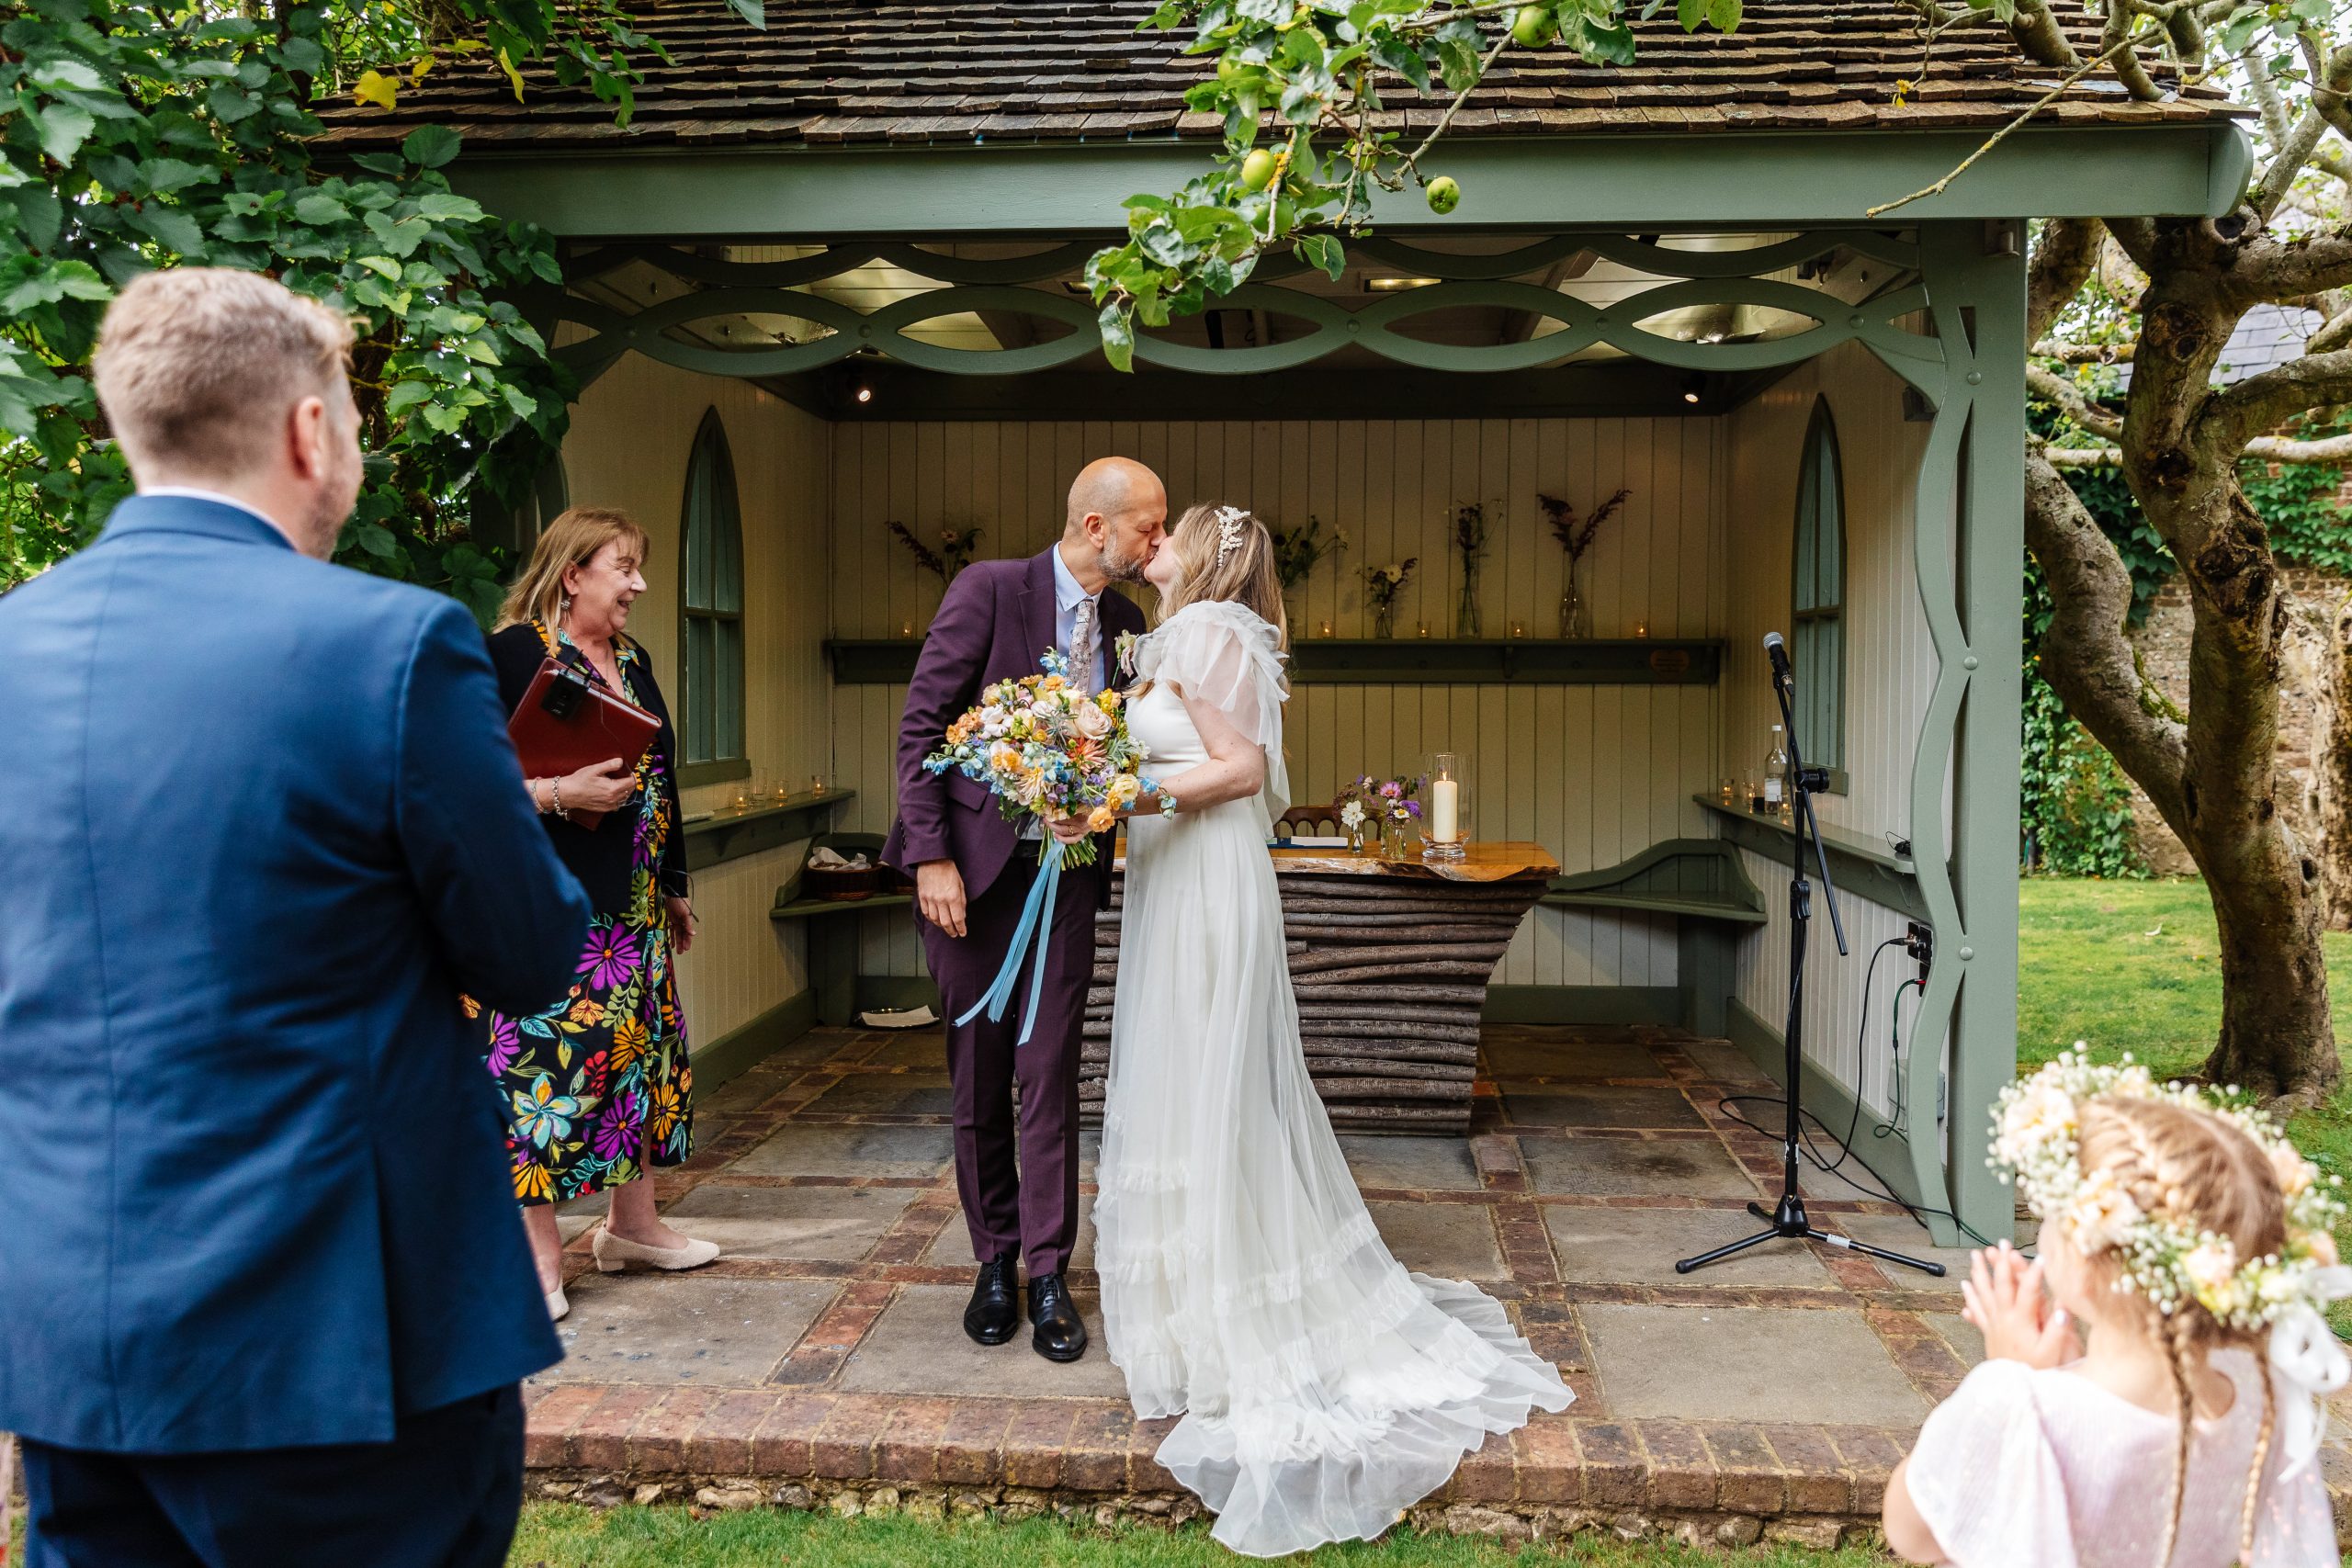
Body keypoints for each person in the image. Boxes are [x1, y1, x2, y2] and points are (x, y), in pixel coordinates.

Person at [0, 267, 592, 1567]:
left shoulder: (10, 646)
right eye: (358, 426)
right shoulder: (391, 645)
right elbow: (533, 950)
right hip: (339, 1336)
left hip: (70, 1332)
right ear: (309, 431)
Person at [1083, 502, 1572, 1557]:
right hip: (1174, 881)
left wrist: (1128, 794)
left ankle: (1221, 1322)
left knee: (1209, 1084)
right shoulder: (1185, 636)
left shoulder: (1212, 635)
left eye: (1174, 530)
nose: (1153, 539)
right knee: (1183, 1082)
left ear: (1207, 557)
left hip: (1206, 882)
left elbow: (1243, 772)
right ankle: (1187, 1315)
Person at [881, 457, 1162, 1363]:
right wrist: (930, 856)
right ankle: (992, 1261)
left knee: (1049, 1072)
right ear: (1094, 526)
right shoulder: (989, 590)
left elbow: (1120, 747)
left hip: (1068, 883)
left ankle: (1049, 1274)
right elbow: (922, 729)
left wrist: (1105, 795)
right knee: (979, 1077)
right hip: (969, 883)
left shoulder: (1128, 624)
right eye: (1147, 528)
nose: (1155, 544)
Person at [1883, 1056, 2342, 1568]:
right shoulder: (2261, 1391)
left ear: (2081, 1261)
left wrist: (2011, 1380)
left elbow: (1911, 1531)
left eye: (2050, 1216)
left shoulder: (2023, 1406)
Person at [481, 508, 715, 1320]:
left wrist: (674, 881)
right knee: (542, 1076)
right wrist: (556, 793)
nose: (639, 585)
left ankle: (631, 1224)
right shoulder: (511, 655)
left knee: (636, 1061)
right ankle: (539, 1258)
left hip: (635, 909)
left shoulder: (633, 658)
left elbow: (663, 779)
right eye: (625, 567)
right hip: (545, 908)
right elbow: (457, 781)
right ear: (573, 573)